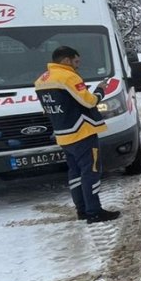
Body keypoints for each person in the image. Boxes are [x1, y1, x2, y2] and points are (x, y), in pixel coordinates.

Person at [34, 46, 121, 224]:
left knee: (75, 172)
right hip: (81, 132)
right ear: (66, 60)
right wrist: (100, 90)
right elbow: (88, 102)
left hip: (63, 134)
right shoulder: (68, 76)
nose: (77, 66)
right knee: (91, 171)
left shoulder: (42, 79)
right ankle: (94, 211)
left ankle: (81, 210)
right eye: (76, 61)